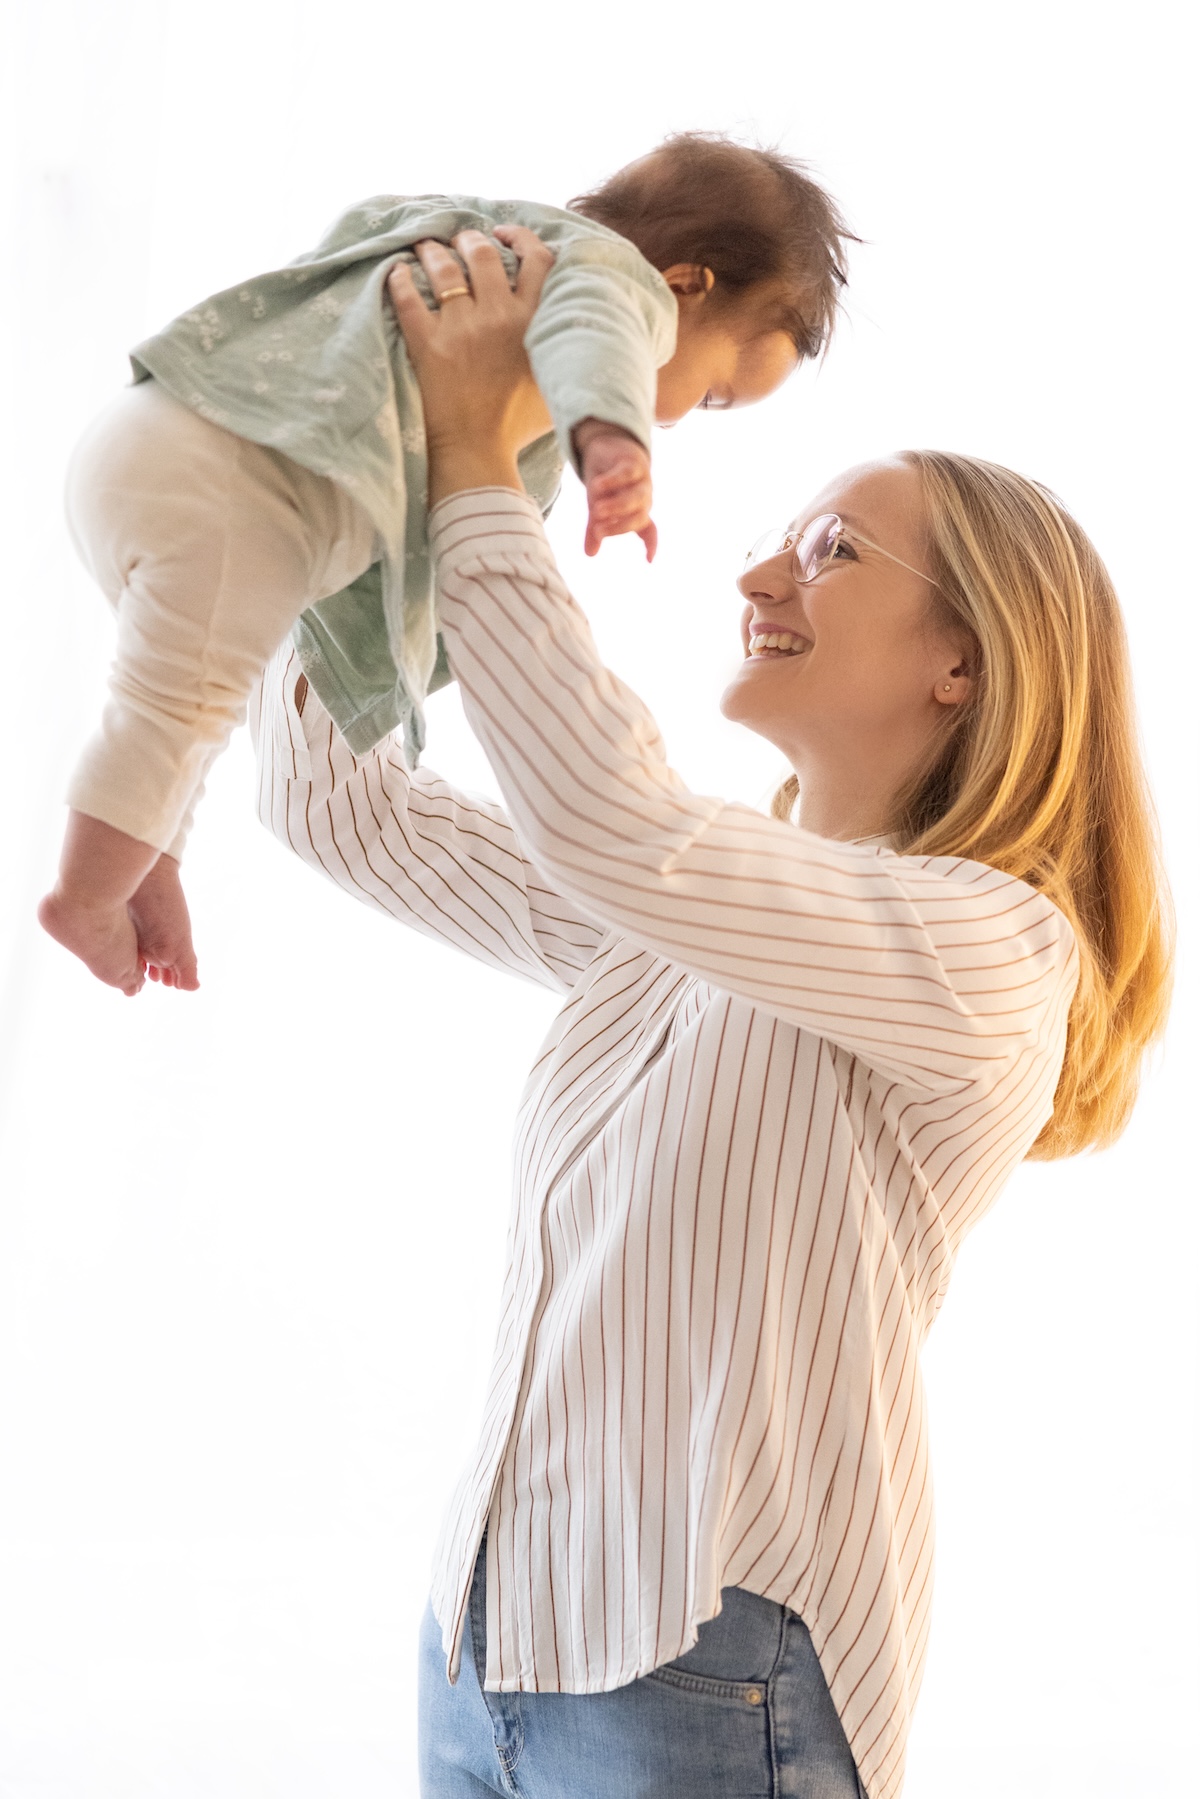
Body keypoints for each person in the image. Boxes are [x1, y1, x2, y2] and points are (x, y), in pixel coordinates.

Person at [250, 229, 1173, 1798]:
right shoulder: (686, 921)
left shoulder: (990, 946)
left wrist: (484, 464)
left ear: (966, 657)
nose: (757, 574)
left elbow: (622, 822)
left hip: (706, 1657)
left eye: (828, 549)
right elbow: (339, 806)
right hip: (487, 1628)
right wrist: (381, 471)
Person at [37, 134, 853, 1001]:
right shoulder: (612, 286)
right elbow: (597, 336)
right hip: (240, 492)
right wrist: (609, 441)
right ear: (686, 286)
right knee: (176, 707)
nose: (689, 415)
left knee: (185, 714)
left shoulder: (468, 232)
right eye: (717, 389)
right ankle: (85, 894)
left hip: (153, 427)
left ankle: (143, 852)